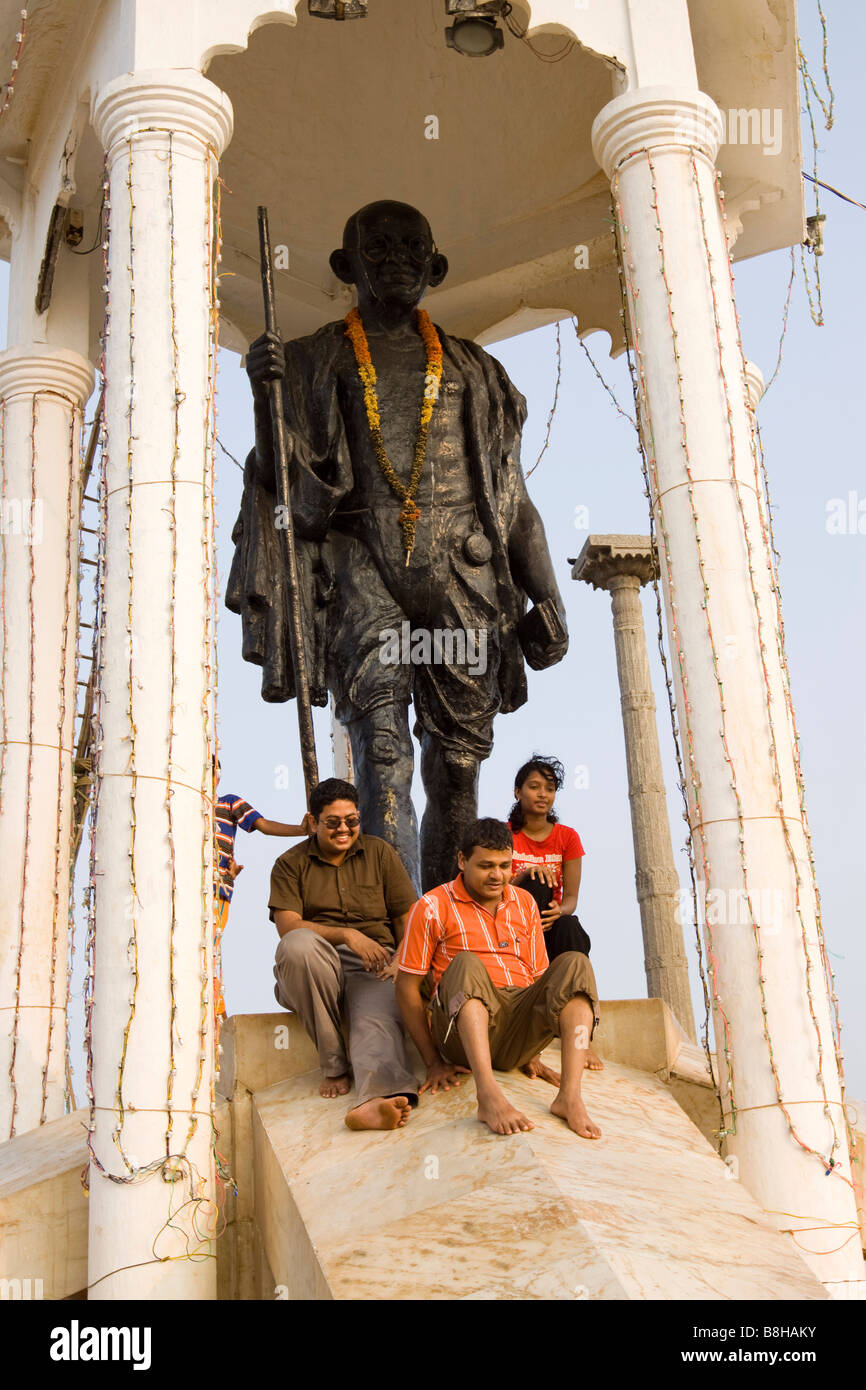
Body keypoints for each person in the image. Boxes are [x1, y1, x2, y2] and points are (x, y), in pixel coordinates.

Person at [227, 199, 568, 893]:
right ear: (344, 266)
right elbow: (282, 485)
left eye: (413, 250)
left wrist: (548, 594)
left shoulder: (478, 374)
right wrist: (269, 400)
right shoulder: (310, 360)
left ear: (436, 267)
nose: (397, 262)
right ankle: (400, 926)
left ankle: (458, 925)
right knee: (381, 751)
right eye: (377, 249)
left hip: (464, 572)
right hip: (363, 568)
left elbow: (513, 504)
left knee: (457, 762)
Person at [396, 818, 601, 1140]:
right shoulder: (432, 906)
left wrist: (531, 1052)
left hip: (515, 1031)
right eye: (486, 866)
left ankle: (570, 1097)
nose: (497, 875)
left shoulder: (524, 902)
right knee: (465, 963)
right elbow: (407, 988)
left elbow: (537, 979)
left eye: (505, 866)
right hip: (462, 1034)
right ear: (462, 861)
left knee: (575, 964)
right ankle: (488, 1094)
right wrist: (432, 1062)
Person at [269, 777, 420, 1131]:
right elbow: (288, 925)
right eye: (333, 822)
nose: (343, 829)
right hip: (311, 968)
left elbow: (406, 915)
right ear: (314, 821)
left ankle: (375, 1101)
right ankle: (334, 1065)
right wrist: (348, 935)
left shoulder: (380, 852)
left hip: (374, 965)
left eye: (351, 820)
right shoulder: (289, 864)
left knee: (374, 1019)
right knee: (298, 944)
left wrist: (402, 958)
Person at [507, 754, 602, 1069]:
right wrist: (525, 873)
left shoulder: (567, 838)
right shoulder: (503, 835)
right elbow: (491, 887)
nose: (542, 794)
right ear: (518, 791)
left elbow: (571, 898)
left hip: (550, 925)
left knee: (571, 927)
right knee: (534, 877)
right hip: (513, 926)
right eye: (534, 787)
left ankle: (582, 1038)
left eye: (549, 788)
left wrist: (557, 912)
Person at [214, 760, 310, 1018]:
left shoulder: (228, 803)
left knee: (209, 945)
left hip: (217, 889)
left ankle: (217, 1009)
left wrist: (302, 830)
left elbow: (263, 826)